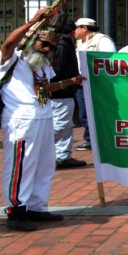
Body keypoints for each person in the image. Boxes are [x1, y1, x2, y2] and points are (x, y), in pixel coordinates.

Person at [0, 10, 85, 231]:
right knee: (21, 165)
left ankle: (36, 207)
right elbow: (8, 43)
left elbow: (45, 89)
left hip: (44, 116)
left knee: (44, 165)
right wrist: (34, 21)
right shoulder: (12, 59)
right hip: (21, 119)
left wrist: (69, 82)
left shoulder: (43, 65)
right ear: (33, 41)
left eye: (51, 47)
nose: (47, 49)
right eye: (43, 44)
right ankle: (15, 211)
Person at [74, 18, 116, 151]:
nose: (75, 30)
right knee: (84, 114)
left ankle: (100, 139)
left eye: (77, 27)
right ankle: (90, 139)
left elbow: (108, 60)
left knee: (97, 112)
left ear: (85, 28)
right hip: (82, 82)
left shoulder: (102, 40)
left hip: (96, 83)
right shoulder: (80, 42)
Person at [51, 20, 86, 169]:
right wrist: (69, 81)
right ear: (72, 31)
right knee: (61, 125)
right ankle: (40, 148)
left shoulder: (65, 44)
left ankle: (64, 156)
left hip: (65, 90)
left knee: (68, 126)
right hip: (61, 92)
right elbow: (56, 70)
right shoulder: (62, 45)